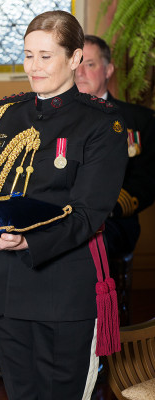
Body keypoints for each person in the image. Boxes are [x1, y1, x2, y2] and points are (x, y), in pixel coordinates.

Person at [0, 11, 127, 400]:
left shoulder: (101, 124)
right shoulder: (7, 115)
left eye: (45, 56)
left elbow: (88, 213)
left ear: (76, 58)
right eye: (28, 56)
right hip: (5, 290)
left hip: (63, 291)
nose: (34, 67)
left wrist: (28, 239)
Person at [75, 34, 155, 266]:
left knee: (82, 248)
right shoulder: (50, 119)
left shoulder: (140, 120)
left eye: (89, 64)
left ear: (108, 70)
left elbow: (147, 180)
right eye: (76, 63)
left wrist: (101, 208)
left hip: (112, 221)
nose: (80, 72)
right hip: (60, 215)